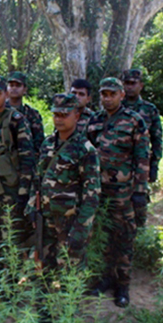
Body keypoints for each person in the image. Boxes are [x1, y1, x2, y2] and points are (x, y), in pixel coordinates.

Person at [86, 77, 149, 308]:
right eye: (104, 94)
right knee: (102, 236)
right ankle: (105, 278)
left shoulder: (134, 120)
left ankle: (122, 285)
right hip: (98, 192)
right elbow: (86, 153)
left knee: (123, 238)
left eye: (112, 94)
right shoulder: (94, 121)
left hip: (124, 192)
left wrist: (140, 190)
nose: (107, 98)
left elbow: (142, 157)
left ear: (122, 95)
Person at [26, 94, 100, 271]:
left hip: (70, 224)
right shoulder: (48, 143)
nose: (59, 119)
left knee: (69, 275)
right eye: (56, 114)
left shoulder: (85, 149)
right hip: (45, 220)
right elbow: (38, 179)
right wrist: (31, 205)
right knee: (41, 270)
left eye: (64, 115)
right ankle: (43, 298)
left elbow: (92, 195)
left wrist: (81, 230)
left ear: (76, 115)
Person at [0, 75, 36, 254]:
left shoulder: (17, 119)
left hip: (10, 190)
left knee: (11, 239)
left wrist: (23, 193)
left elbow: (27, 159)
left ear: (5, 94)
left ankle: (10, 279)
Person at [121, 69, 163, 228]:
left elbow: (157, 139)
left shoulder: (149, 109)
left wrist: (154, 165)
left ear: (141, 85)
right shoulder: (115, 107)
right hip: (118, 167)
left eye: (133, 83)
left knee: (139, 206)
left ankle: (140, 240)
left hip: (141, 167)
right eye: (126, 83)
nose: (129, 87)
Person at [6, 71, 45, 157]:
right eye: (11, 85)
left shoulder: (33, 114)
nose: (14, 88)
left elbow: (39, 142)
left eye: (18, 85)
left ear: (25, 89)